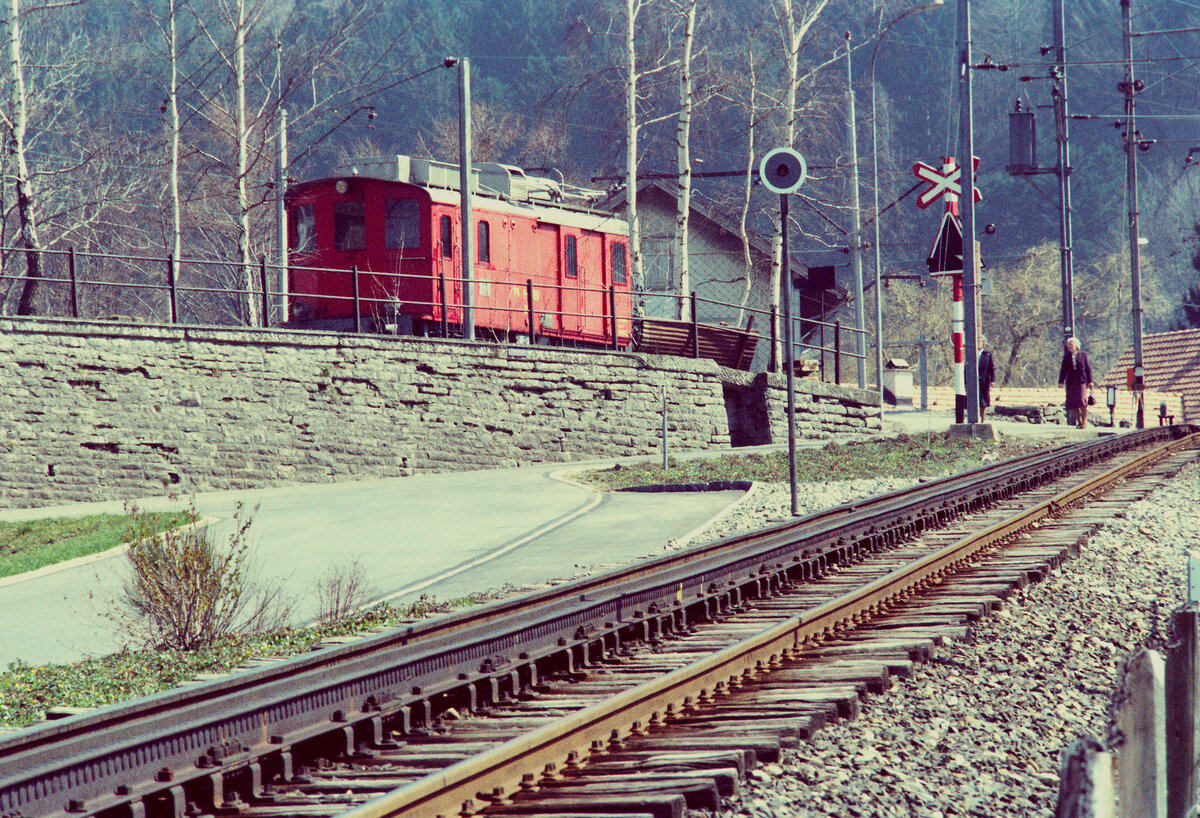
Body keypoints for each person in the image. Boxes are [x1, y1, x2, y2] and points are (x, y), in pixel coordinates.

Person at [1057, 337, 1093, 429]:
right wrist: (1061, 381)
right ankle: (1079, 422)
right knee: (1072, 402)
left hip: (1081, 381)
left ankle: (1084, 421)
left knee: (1081, 400)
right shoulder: (1066, 356)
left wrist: (1090, 381)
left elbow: (1088, 368)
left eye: (1071, 344)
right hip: (1070, 382)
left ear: (1076, 345)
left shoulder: (1083, 355)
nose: (1069, 346)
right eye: (1068, 344)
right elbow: (1063, 370)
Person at [978, 339, 996, 421]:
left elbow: (991, 368)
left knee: (983, 400)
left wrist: (992, 380)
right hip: (973, 380)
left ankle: (982, 418)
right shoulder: (971, 354)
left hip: (984, 380)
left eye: (980, 341)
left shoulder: (987, 354)